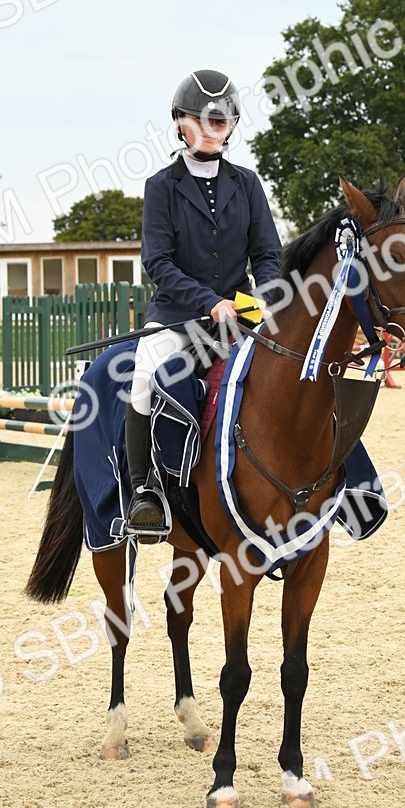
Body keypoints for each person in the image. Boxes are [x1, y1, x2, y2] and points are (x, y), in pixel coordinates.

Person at [124, 69, 282, 540]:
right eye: (202, 120)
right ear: (180, 123)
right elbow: (159, 261)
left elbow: (267, 254)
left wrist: (269, 294)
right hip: (178, 315)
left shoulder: (247, 183)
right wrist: (209, 302)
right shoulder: (161, 186)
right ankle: (145, 491)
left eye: (221, 121)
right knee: (145, 373)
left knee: (296, 371)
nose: (213, 130)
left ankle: (342, 483)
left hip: (240, 314)